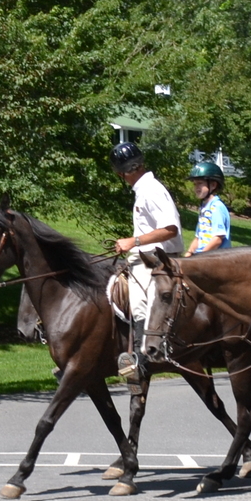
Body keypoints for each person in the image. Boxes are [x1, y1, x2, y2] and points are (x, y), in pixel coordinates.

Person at [109, 139, 182, 376]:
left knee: (138, 299)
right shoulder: (144, 190)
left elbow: (171, 229)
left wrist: (133, 241)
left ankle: (142, 360)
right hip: (145, 256)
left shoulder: (152, 191)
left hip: (159, 259)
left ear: (120, 174)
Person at [185, 160, 232, 256]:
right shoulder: (205, 207)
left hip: (216, 259)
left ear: (213, 185)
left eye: (200, 183)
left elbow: (217, 239)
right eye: (195, 184)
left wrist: (199, 257)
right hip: (205, 257)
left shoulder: (216, 207)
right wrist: (189, 254)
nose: (196, 187)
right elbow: (198, 238)